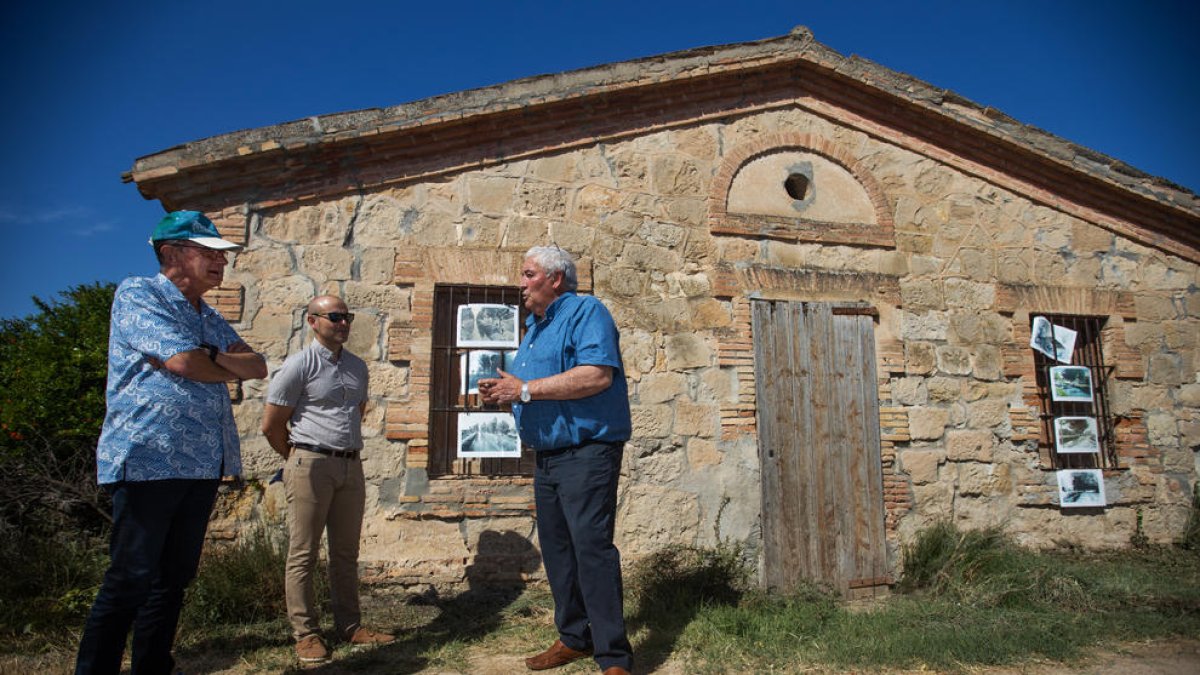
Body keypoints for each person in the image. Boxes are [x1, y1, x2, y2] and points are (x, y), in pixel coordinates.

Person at [75, 210, 268, 675]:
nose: (220, 262)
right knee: (130, 578)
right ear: (172, 254)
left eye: (221, 254)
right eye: (208, 252)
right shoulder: (140, 294)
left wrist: (210, 355)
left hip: (201, 463)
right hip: (148, 456)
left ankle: (153, 666)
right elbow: (182, 363)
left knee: (173, 580)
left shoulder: (208, 315)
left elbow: (258, 365)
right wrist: (213, 361)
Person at [479, 246, 634, 675]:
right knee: (559, 552)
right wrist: (506, 391)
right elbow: (528, 386)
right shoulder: (535, 328)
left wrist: (524, 390)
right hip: (547, 456)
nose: (521, 282)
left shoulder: (587, 312)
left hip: (587, 452)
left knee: (591, 550)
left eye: (529, 274)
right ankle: (574, 637)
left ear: (556, 278)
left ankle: (613, 657)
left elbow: (597, 374)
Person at [261, 295, 395, 663]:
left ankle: (350, 626)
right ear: (312, 321)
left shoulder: (357, 367)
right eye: (334, 317)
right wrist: (297, 459)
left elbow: (358, 410)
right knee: (303, 553)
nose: (343, 323)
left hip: (350, 464)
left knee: (346, 552)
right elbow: (272, 425)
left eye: (347, 317)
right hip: (310, 462)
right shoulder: (297, 366)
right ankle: (305, 634)